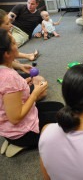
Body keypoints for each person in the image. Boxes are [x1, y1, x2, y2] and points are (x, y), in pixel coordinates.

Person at [0, 29, 64, 158]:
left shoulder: (6, 71)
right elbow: (15, 117)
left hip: (11, 123)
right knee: (65, 122)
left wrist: (23, 84)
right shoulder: (9, 77)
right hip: (21, 132)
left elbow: (8, 96)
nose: (16, 44)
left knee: (60, 108)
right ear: (6, 53)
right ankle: (20, 142)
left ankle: (11, 138)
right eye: (13, 43)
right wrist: (35, 93)